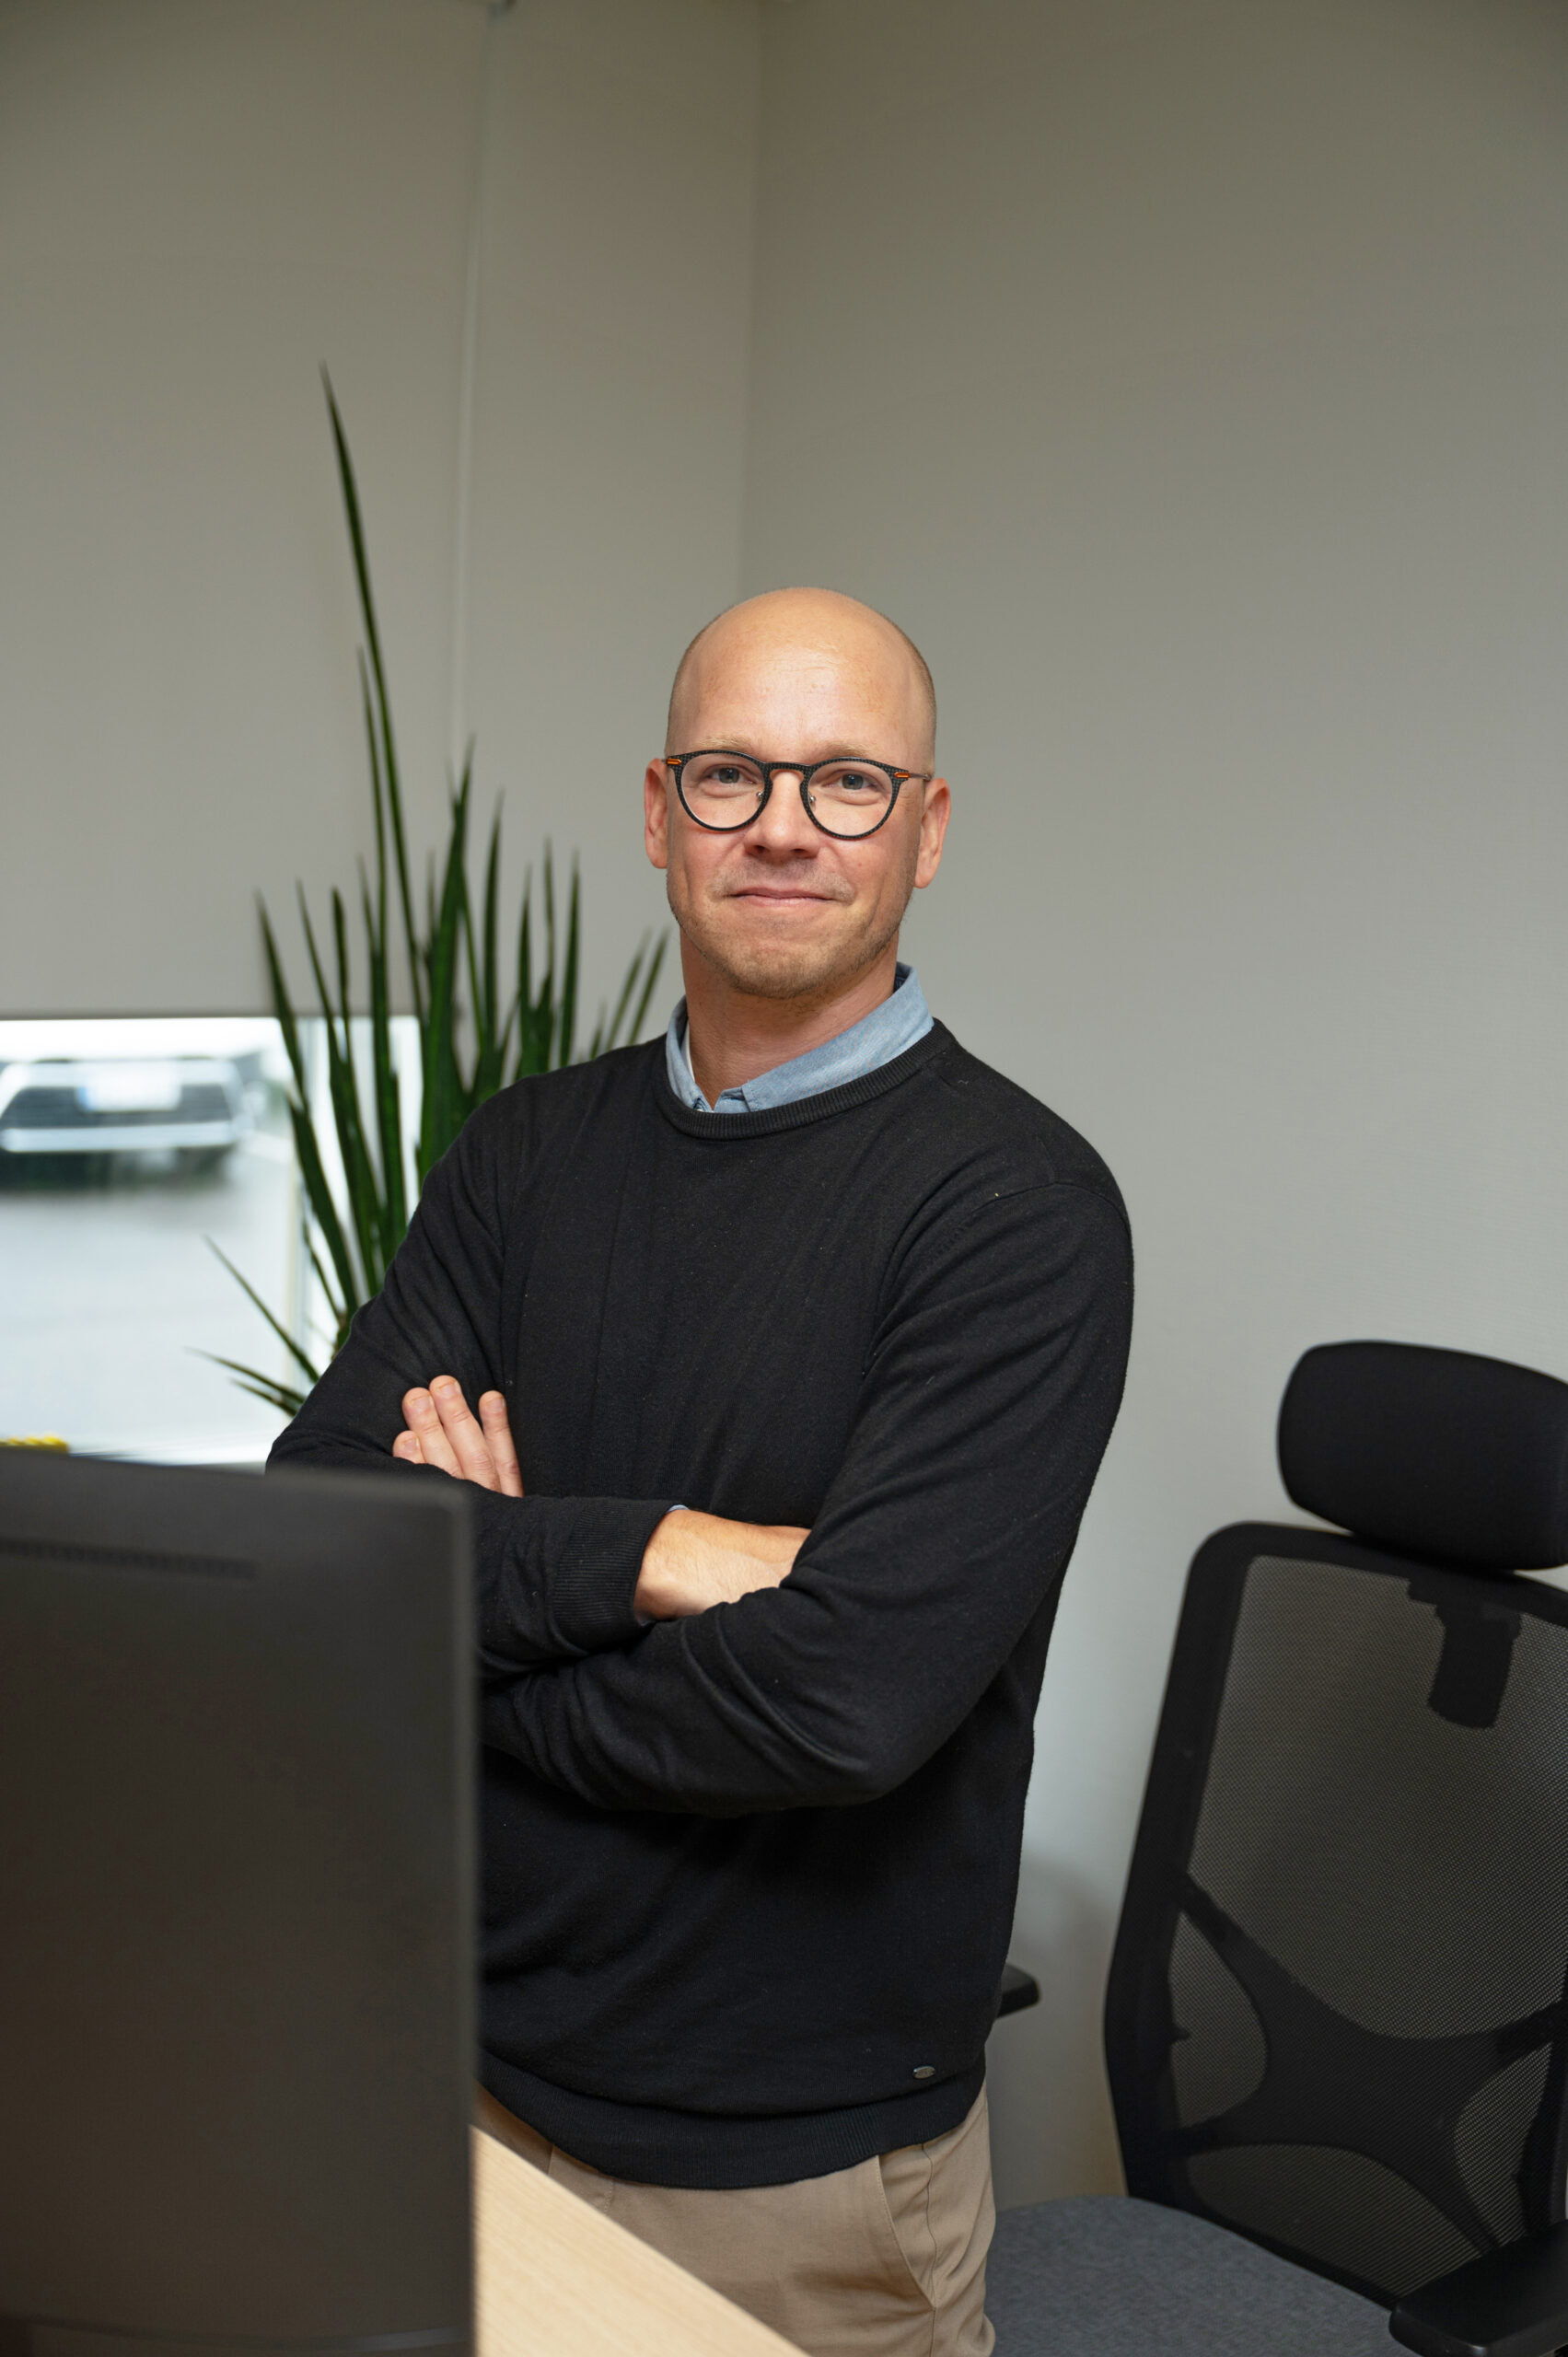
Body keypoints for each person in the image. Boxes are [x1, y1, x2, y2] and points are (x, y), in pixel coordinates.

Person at [270, 587, 1132, 2357]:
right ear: (660, 813)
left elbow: (838, 1708)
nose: (784, 829)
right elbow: (324, 1546)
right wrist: (658, 1554)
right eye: (733, 775)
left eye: (847, 783)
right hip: (467, 2084)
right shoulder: (526, 1156)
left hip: (790, 2190)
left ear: (929, 827)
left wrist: (481, 1619)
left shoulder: (1016, 1216)